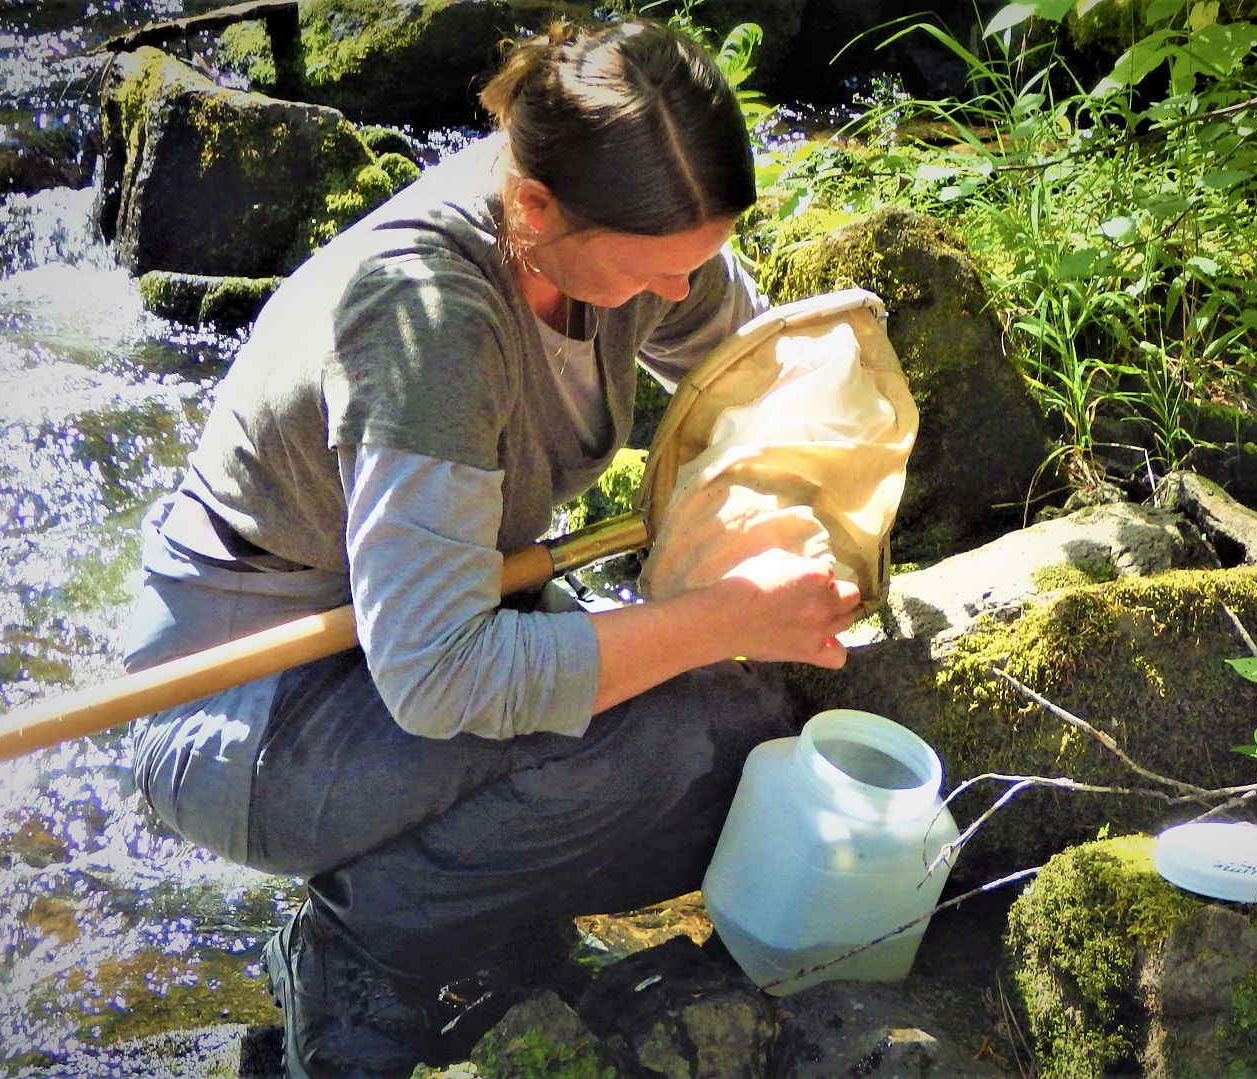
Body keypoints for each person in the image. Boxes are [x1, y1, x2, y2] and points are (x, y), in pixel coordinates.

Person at [118, 19, 862, 1078]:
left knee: (738, 742)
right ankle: (359, 936)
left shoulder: (630, 225)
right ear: (535, 207)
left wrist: (763, 507)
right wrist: (725, 616)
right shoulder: (428, 319)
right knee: (647, 742)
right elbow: (438, 673)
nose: (676, 294)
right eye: (654, 272)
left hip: (419, 617)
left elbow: (762, 380)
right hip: (246, 691)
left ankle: (476, 911)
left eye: (692, 263)